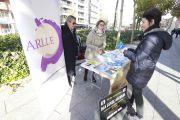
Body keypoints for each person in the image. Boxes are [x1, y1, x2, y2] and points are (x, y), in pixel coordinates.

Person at [120, 8, 172, 120]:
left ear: (152, 22)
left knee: (138, 92)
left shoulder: (153, 37)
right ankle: (131, 102)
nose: (142, 25)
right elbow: (142, 52)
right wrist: (130, 50)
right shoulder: (153, 35)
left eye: (143, 22)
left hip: (141, 70)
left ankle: (139, 116)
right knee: (135, 88)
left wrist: (125, 52)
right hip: (143, 69)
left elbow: (138, 57)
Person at [61, 15, 78, 87]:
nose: (74, 25)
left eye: (75, 23)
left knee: (71, 69)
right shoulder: (62, 29)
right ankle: (67, 82)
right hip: (65, 54)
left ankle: (69, 80)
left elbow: (75, 42)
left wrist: (76, 53)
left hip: (72, 54)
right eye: (73, 23)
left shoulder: (73, 30)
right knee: (67, 69)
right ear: (68, 22)